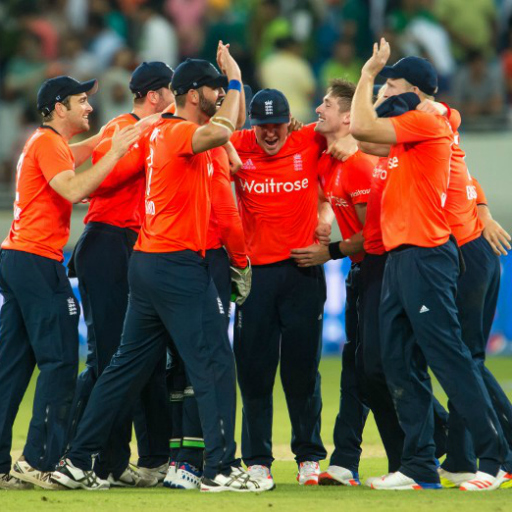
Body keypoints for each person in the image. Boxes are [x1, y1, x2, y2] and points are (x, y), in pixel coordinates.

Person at [51, 46, 269, 493]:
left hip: (148, 262)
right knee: (212, 361)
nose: (218, 95)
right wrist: (235, 81)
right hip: (174, 263)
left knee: (123, 368)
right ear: (193, 94)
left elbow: (231, 124)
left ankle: (76, 461)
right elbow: (226, 125)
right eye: (211, 89)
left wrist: (233, 80)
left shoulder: (175, 131)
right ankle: (220, 469)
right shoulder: (176, 135)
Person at [350, 41, 508, 491]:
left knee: (451, 358)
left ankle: (494, 460)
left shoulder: (427, 120)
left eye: (392, 84)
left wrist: (367, 74)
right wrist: (380, 97)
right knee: (398, 363)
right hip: (400, 257)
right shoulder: (408, 132)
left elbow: (362, 124)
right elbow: (362, 136)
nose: (384, 90)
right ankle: (419, 464)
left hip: (426, 254)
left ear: (415, 93)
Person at [0, 76, 140, 490]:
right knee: (60, 361)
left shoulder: (48, 143)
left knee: (11, 367)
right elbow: (75, 186)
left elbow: (83, 151)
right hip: (37, 260)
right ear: (59, 107)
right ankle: (37, 460)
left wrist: (118, 132)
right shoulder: (47, 144)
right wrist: (116, 149)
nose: (88, 107)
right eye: (82, 101)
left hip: (18, 258)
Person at [66, 61, 176, 488]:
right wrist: (149, 135)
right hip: (108, 243)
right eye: (171, 92)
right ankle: (91, 459)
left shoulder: (153, 129)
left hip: (134, 246)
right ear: (155, 95)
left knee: (142, 356)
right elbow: (100, 180)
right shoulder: (122, 127)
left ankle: (137, 459)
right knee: (110, 358)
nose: (175, 99)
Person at [230, 88, 327, 487]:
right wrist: (232, 80)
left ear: (290, 121)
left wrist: (325, 213)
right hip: (254, 277)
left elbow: (350, 125)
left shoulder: (310, 139)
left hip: (302, 271)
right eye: (263, 126)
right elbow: (201, 132)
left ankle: (308, 457)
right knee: (254, 371)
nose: (271, 133)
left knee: (302, 370)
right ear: (252, 125)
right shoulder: (236, 145)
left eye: (278, 125)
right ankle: (257, 460)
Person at [289, 79, 376, 486]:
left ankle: (448, 442)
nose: (317, 107)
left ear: (347, 116)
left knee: (381, 368)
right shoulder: (329, 160)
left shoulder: (359, 163)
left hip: (384, 267)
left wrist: (331, 251)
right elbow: (325, 199)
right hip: (364, 271)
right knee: (362, 366)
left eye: (325, 103)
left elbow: (375, 235)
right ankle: (345, 462)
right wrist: (324, 219)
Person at [164, 144, 249, 490]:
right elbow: (227, 214)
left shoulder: (163, 139)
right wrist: (241, 262)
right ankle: (202, 463)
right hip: (207, 254)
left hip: (164, 255)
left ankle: (178, 460)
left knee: (178, 361)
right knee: (210, 362)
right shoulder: (207, 146)